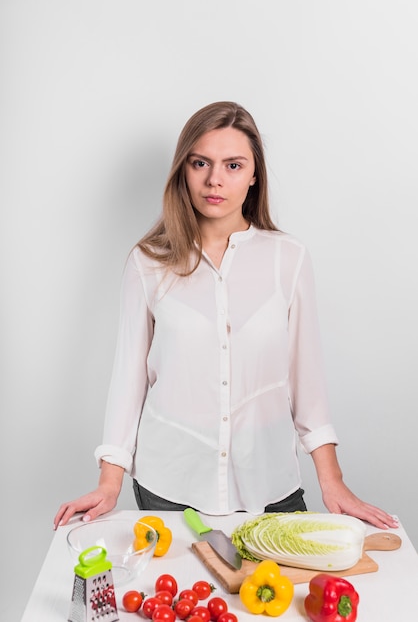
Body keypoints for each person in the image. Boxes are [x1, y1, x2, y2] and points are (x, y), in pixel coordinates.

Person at [54, 101, 397, 531]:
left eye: (233, 165)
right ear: (184, 169)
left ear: (255, 175)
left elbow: (306, 382)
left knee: (273, 598)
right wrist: (109, 482)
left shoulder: (287, 259)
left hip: (269, 484)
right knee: (184, 599)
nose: (215, 179)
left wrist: (334, 482)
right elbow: (129, 379)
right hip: (168, 484)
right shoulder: (148, 262)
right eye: (201, 163)